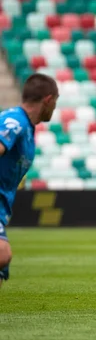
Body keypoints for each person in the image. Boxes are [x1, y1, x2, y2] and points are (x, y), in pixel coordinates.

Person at [0, 74, 59, 287]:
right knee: (2, 254)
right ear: (47, 100)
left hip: (3, 207)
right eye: (55, 102)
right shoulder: (14, 122)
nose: (54, 108)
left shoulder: (26, 127)